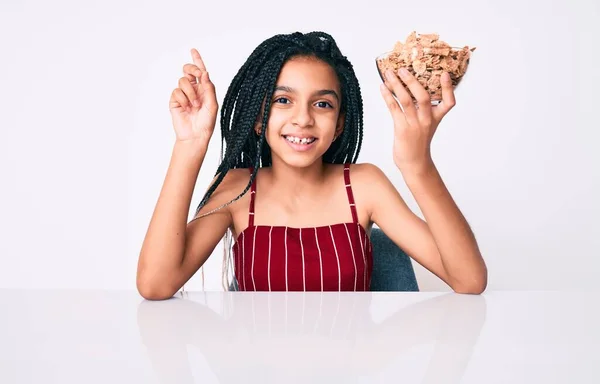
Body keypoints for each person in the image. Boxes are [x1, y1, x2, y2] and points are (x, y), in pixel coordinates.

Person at [136, 31, 487, 299]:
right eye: (283, 100)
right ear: (259, 119)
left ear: (339, 125)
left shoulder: (364, 185)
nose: (302, 119)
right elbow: (155, 284)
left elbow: (468, 280)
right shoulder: (237, 189)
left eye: (322, 104)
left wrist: (417, 163)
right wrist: (190, 144)